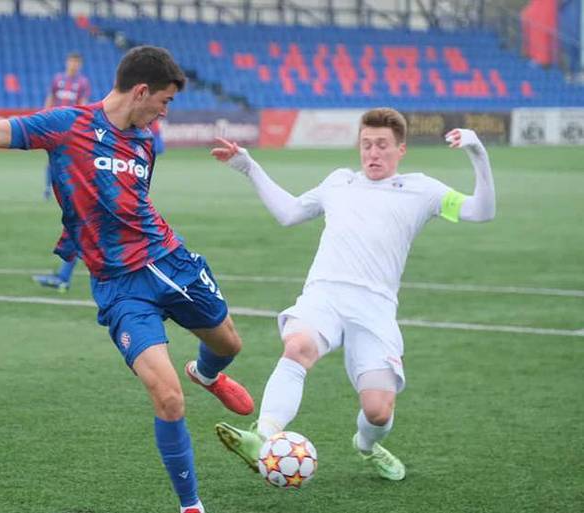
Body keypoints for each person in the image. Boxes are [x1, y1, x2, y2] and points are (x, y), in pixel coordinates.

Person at [0, 21, 254, 513]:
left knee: (229, 345)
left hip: (172, 263)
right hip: (121, 289)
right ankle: (191, 506)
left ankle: (207, 375)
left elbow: (130, 203)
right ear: (141, 91)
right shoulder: (65, 126)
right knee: (168, 398)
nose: (164, 112)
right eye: (163, 101)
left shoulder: (143, 141)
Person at [210, 108, 496, 482]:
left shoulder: (422, 189)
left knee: (378, 411)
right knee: (297, 347)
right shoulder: (339, 182)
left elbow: (482, 211)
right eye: (366, 145)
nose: (373, 153)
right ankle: (262, 437)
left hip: (375, 308)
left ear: (401, 149)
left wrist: (477, 152)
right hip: (325, 294)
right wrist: (249, 167)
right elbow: (290, 213)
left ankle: (365, 446)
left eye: (382, 146)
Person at [32, 52, 91, 291]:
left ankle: (64, 277)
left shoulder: (82, 84)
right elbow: (49, 100)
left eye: (77, 62)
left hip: (71, 136)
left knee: (82, 223)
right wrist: (44, 119)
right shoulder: (58, 80)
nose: (73, 65)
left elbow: (84, 107)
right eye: (71, 61)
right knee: (81, 223)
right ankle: (64, 276)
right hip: (60, 134)